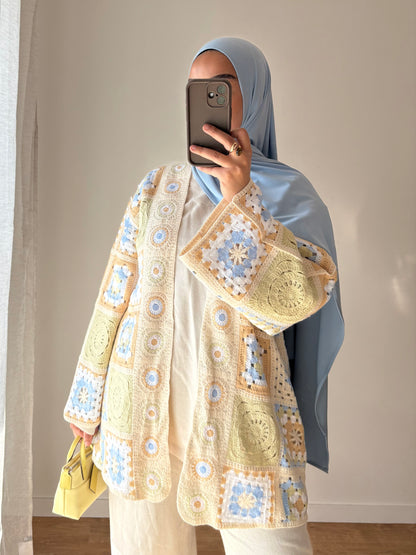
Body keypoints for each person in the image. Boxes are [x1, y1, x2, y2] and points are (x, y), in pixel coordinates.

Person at [64, 37, 344, 555]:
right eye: (196, 89)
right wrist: (87, 401)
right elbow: (115, 294)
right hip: (139, 411)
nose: (206, 100)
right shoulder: (157, 187)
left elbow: (294, 299)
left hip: (243, 420)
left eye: (220, 88)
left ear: (252, 97)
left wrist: (242, 199)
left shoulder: (291, 196)